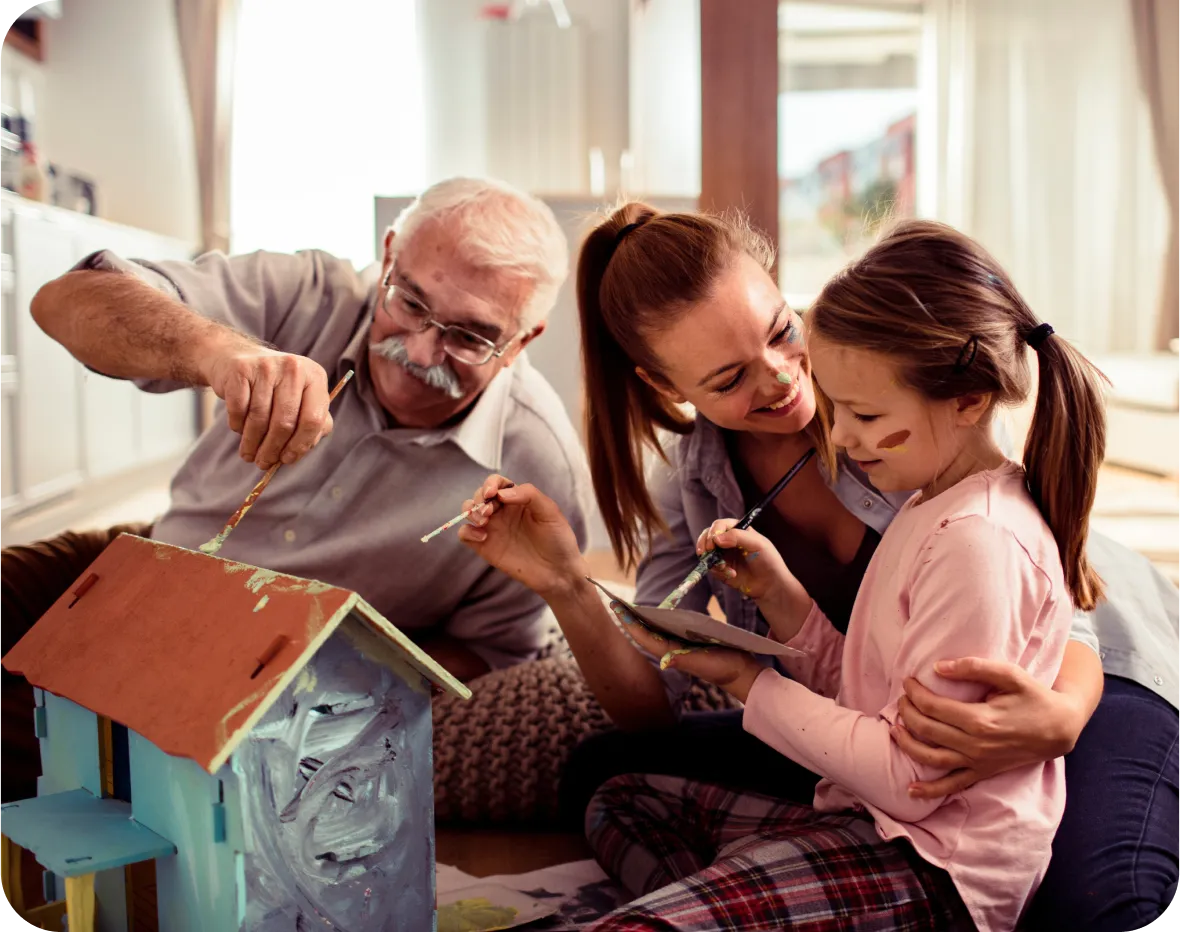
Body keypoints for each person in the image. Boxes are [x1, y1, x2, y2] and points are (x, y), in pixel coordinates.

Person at [457, 205, 1180, 931]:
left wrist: (1061, 717)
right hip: (888, 730)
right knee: (606, 775)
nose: (781, 379)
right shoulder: (709, 474)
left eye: (781, 331)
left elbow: (1059, 607)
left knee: (1095, 912)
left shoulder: (914, 402)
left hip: (1092, 674)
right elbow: (664, 706)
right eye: (729, 377)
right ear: (668, 386)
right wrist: (566, 585)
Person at [29, 177, 591, 683]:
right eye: (411, 302)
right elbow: (63, 301)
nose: (419, 353)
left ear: (522, 342)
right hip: (145, 565)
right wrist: (218, 352)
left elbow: (492, 653)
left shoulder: (539, 466)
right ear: (389, 254)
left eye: (469, 338)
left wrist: (319, 691)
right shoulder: (308, 292)